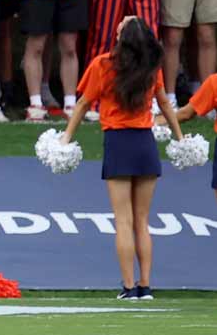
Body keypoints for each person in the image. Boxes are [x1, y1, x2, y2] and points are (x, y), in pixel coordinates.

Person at [61, 16, 187, 299]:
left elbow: (82, 104)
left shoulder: (103, 64)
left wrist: (67, 137)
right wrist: (179, 137)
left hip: (118, 142)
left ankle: (129, 287)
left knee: (123, 221)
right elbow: (165, 104)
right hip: (145, 144)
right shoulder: (150, 67)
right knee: (142, 220)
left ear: (123, 38)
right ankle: (145, 285)